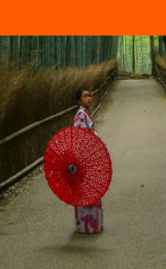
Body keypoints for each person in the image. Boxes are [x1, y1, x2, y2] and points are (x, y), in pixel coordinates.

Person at [72, 87, 103, 234]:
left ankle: (90, 225)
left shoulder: (85, 115)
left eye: (90, 96)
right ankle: (88, 226)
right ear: (79, 101)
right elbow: (79, 139)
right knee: (88, 192)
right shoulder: (80, 116)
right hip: (85, 160)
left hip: (90, 158)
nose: (89, 98)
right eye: (85, 96)